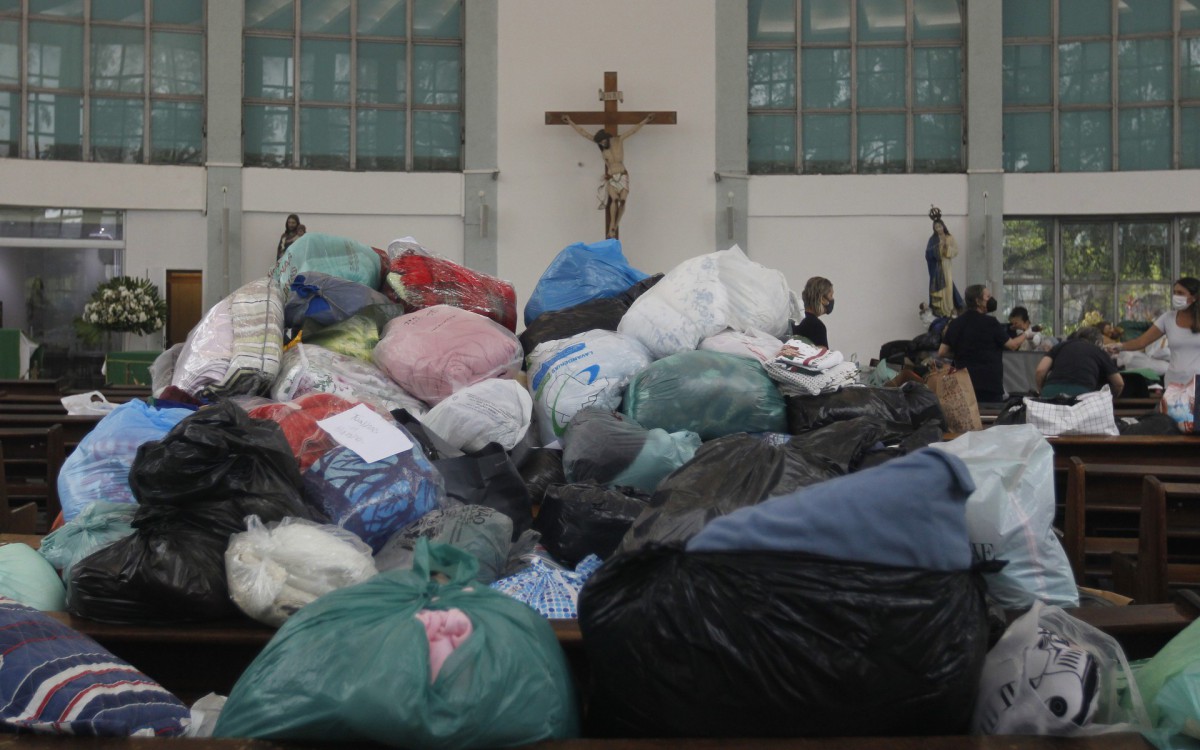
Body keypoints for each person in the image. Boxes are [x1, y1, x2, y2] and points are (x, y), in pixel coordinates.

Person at [1107, 277, 1200, 430]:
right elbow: (1142, 342)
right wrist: (1119, 346)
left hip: (1197, 384)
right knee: (1171, 428)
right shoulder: (1168, 319)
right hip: (1174, 384)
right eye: (1174, 292)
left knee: (1195, 430)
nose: (1176, 296)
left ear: (1194, 297)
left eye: (1181, 293)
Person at [563, 113, 654, 239]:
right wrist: (569, 121)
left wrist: (645, 120)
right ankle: (612, 226)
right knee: (614, 200)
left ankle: (615, 227)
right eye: (600, 142)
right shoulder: (602, 148)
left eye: (603, 140)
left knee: (622, 202)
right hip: (611, 177)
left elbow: (633, 130)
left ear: (607, 138)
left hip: (622, 176)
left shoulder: (618, 140)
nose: (602, 143)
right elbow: (583, 133)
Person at [938, 284, 1029, 404]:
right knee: (991, 419)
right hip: (989, 385)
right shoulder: (991, 323)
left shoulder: (955, 324)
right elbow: (1012, 345)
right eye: (988, 296)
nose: (991, 299)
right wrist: (1027, 334)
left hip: (964, 383)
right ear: (978, 301)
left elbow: (942, 352)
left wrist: (961, 353)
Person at [1035, 326, 1124, 399]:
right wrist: (1109, 399)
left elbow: (1040, 370)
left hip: (1050, 392)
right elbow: (1119, 383)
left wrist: (1042, 391)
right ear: (1098, 342)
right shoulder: (1098, 351)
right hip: (1082, 396)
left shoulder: (1060, 346)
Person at [925, 209, 963, 318]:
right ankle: (941, 310)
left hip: (946, 265)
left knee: (948, 287)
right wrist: (938, 248)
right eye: (936, 227)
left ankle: (950, 309)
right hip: (937, 268)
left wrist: (947, 248)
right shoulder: (932, 240)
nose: (938, 229)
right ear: (934, 229)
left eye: (940, 226)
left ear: (943, 226)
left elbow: (955, 250)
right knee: (941, 288)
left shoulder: (949, 238)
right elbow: (928, 254)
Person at [792, 276, 834, 348]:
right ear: (822, 299)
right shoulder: (817, 326)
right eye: (831, 295)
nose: (832, 299)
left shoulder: (794, 320)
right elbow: (822, 356)